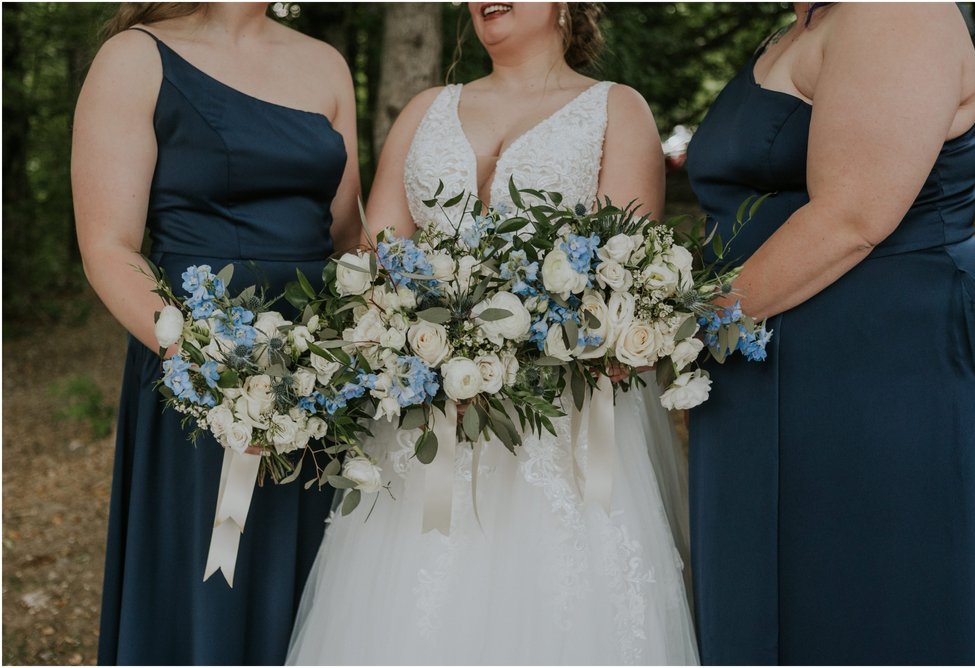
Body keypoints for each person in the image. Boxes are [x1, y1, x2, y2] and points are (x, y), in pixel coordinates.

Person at [286, 2, 699, 664]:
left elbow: (629, 276)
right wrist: (414, 333)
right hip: (428, 413)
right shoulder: (425, 110)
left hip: (561, 425)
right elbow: (378, 257)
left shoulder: (616, 110)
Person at [685, 2, 975, 664]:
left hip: (879, 367)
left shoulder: (896, 12)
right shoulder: (795, 28)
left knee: (862, 599)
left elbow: (852, 216)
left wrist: (682, 327)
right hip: (764, 360)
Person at [71, 2, 360, 663]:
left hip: (318, 376)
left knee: (316, 581)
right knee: (208, 590)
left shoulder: (326, 64)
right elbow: (108, 246)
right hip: (197, 367)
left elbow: (347, 236)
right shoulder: (136, 59)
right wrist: (208, 364)